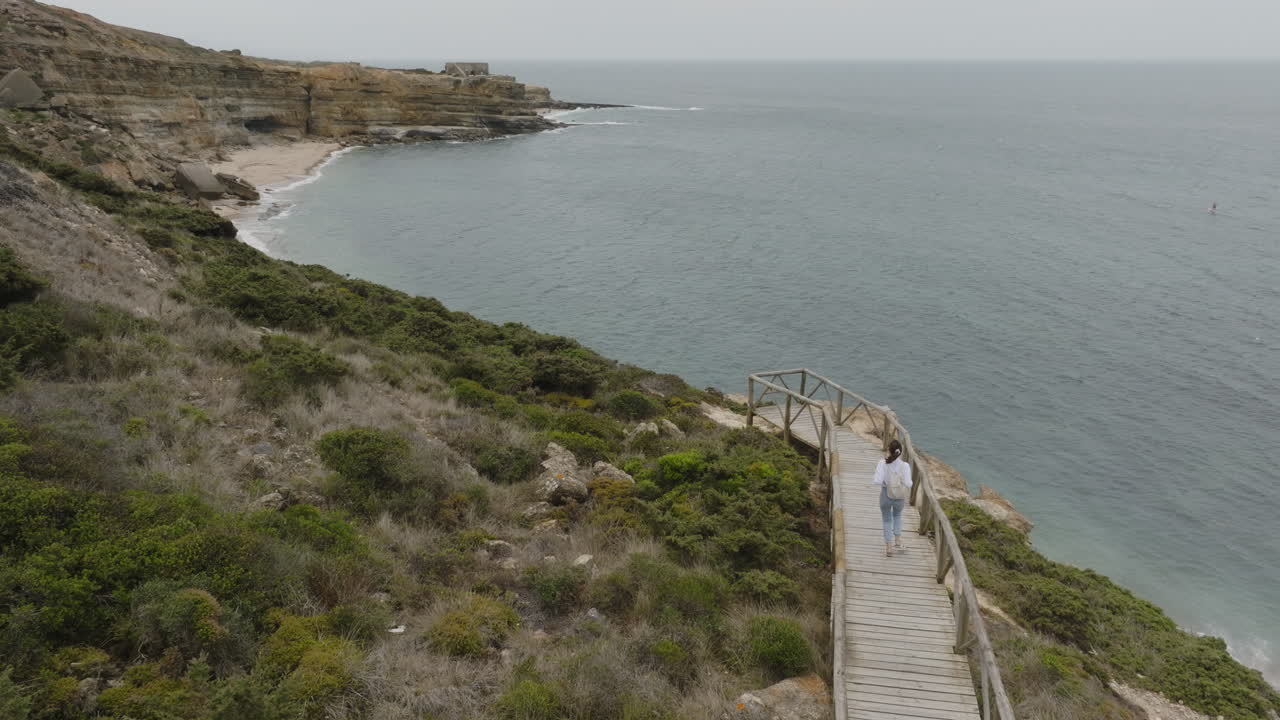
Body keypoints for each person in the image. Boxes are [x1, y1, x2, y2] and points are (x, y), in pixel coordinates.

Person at [873, 439, 912, 556]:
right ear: (900, 452)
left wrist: (887, 481)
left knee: (886, 520)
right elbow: (909, 484)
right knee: (897, 515)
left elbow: (877, 481)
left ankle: (889, 548)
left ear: (889, 451)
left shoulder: (882, 463)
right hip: (899, 496)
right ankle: (898, 541)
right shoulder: (905, 466)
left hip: (886, 495)